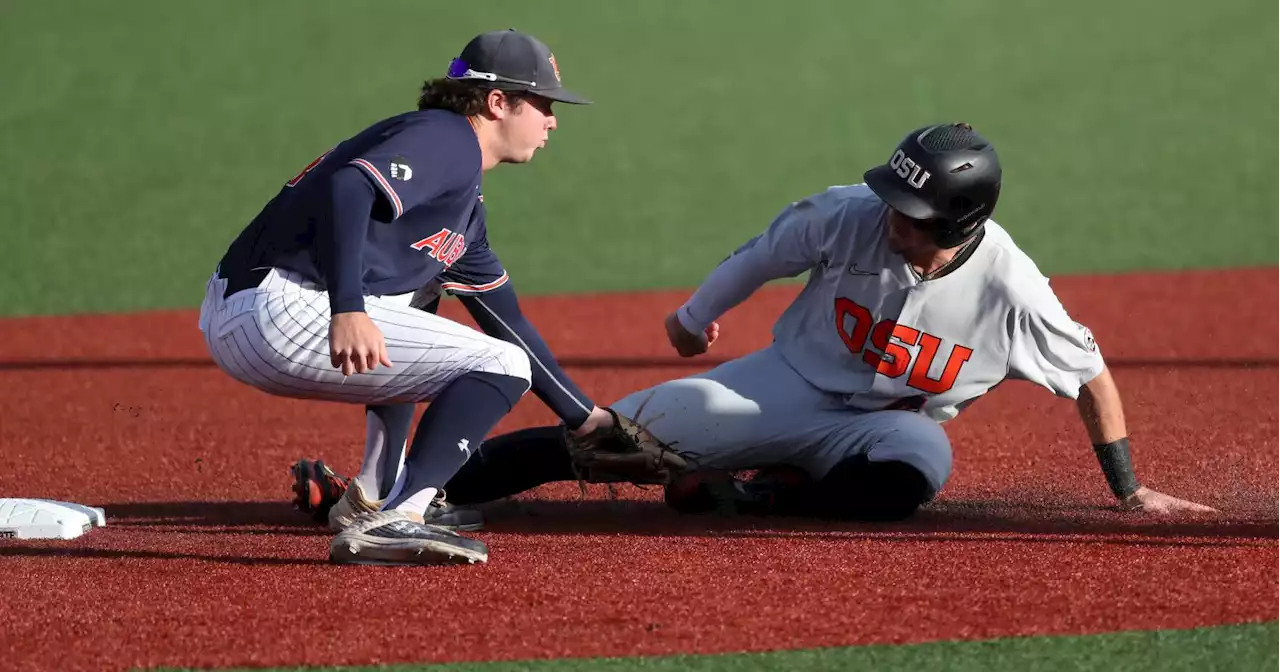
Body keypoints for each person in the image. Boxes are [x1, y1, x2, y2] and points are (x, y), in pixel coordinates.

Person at [294, 122, 1218, 525]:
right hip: (788, 380)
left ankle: (757, 494)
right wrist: (698, 317)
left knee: (912, 480)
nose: (890, 214)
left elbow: (1092, 377)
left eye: (913, 211)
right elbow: (765, 252)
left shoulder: (1014, 291)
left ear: (963, 224)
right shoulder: (851, 212)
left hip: (891, 421)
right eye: (894, 197)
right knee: (617, 440)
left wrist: (1129, 493)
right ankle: (408, 494)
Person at [199, 29, 617, 567]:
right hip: (280, 306)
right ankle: (399, 516)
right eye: (542, 103)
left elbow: (505, 318)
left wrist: (586, 419)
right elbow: (350, 186)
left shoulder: (464, 210)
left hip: (258, 313)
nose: (552, 119)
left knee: (421, 310)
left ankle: (370, 498)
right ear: (496, 102)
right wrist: (348, 307)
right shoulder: (446, 137)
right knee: (500, 365)